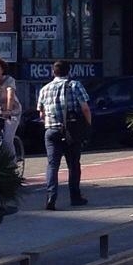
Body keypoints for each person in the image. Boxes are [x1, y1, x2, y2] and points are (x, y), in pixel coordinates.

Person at [37, 59, 91, 209]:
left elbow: (41, 114)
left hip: (51, 131)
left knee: (52, 165)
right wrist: (87, 125)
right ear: (69, 71)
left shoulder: (45, 89)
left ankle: (51, 198)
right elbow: (85, 108)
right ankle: (75, 197)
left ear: (53, 72)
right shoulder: (75, 85)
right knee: (73, 164)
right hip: (71, 130)